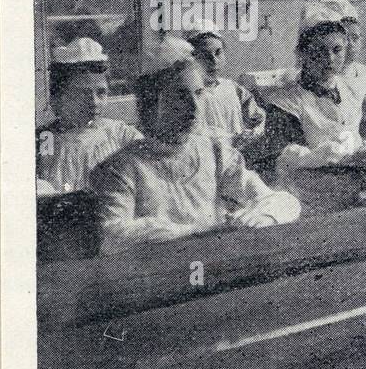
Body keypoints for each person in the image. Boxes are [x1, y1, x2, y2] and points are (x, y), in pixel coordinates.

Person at [89, 37, 300, 254]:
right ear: (152, 103)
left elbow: (280, 200)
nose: (194, 108)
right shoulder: (121, 168)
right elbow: (111, 235)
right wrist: (199, 230)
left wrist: (263, 215)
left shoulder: (216, 153)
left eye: (198, 93)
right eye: (180, 96)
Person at [258, 3, 366, 177]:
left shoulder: (354, 91)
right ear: (302, 54)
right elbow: (283, 159)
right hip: (312, 184)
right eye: (319, 51)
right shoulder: (286, 103)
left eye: (337, 50)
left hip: (356, 176)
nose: (329, 58)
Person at [37, 37, 141, 193]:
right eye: (82, 94)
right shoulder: (46, 138)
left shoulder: (121, 135)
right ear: (58, 96)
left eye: (101, 92)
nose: (94, 102)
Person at [186, 28, 265, 148]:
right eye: (205, 55)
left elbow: (257, 116)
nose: (214, 61)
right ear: (192, 59)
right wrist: (231, 140)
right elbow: (193, 135)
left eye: (218, 52)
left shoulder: (232, 88)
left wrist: (254, 132)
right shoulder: (188, 95)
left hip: (239, 158)